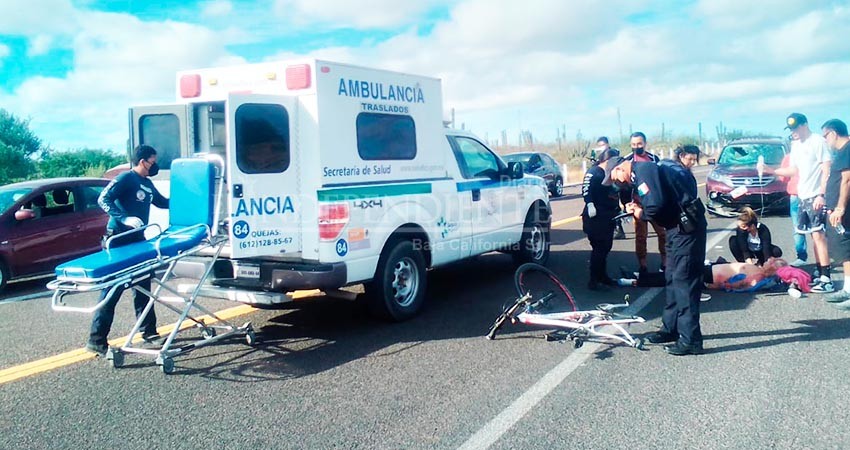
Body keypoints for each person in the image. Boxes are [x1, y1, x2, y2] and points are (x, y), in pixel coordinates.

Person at [603, 149, 707, 356]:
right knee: (671, 278)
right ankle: (671, 329)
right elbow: (660, 199)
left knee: (684, 282)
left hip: (686, 230)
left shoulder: (643, 171)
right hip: (675, 229)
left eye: (614, 177)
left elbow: (655, 206)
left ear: (620, 167)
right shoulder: (643, 172)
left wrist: (640, 213)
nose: (617, 183)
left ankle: (691, 339)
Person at [86, 145, 170, 356]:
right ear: (142, 161)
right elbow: (102, 199)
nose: (155, 165)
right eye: (152, 161)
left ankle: (149, 331)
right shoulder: (126, 179)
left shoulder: (147, 183)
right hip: (119, 239)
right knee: (113, 290)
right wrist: (122, 217)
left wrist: (188, 198)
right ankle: (96, 340)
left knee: (143, 286)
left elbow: (162, 203)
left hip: (138, 239)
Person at [772, 113, 833, 293]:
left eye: (796, 127)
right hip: (803, 195)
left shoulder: (817, 141)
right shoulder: (796, 145)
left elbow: (826, 168)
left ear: (805, 125)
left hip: (816, 195)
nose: (794, 131)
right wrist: (771, 170)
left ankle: (826, 278)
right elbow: (793, 170)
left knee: (819, 236)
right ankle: (819, 270)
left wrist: (822, 194)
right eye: (791, 129)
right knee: (812, 236)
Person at [621, 132, 667, 275]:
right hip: (638, 204)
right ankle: (643, 266)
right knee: (641, 236)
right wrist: (626, 204)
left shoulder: (654, 159)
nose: (637, 147)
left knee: (663, 233)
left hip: (654, 203)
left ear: (645, 144)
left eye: (639, 144)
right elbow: (622, 185)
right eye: (633, 145)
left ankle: (665, 263)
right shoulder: (627, 160)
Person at [619, 257, 788, 292]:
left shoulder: (758, 277)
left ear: (773, 267)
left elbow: (741, 285)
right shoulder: (757, 269)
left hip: (709, 276)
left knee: (671, 278)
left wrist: (717, 286)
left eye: (772, 260)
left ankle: (634, 281)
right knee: (673, 273)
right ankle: (637, 276)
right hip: (709, 269)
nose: (769, 259)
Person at [582, 148, 621, 290]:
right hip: (595, 217)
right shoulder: (594, 172)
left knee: (606, 247)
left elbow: (615, 192)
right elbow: (586, 188)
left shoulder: (611, 173)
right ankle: (594, 280)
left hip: (608, 215)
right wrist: (590, 203)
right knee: (599, 248)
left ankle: (603, 276)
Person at [821, 119, 850, 307]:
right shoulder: (841, 152)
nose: (825, 141)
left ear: (833, 133)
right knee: (844, 251)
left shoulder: (847, 148)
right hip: (837, 209)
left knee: (846, 247)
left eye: (825, 136)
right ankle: (848, 289)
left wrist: (839, 207)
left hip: (843, 211)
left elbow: (847, 179)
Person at [595, 136, 627, 240]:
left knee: (614, 205)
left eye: (603, 145)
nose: (601, 147)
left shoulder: (613, 153)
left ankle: (618, 229)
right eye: (599, 145)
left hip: (614, 182)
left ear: (607, 144)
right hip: (604, 182)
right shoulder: (599, 155)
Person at [779, 153, 808, 266]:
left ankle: (801, 257)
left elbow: (783, 177)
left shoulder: (790, 157)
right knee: (817, 232)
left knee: (798, 228)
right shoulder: (813, 152)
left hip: (796, 194)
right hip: (813, 194)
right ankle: (822, 260)